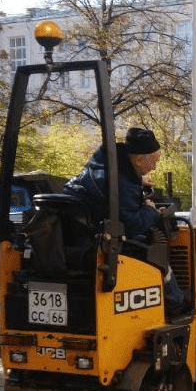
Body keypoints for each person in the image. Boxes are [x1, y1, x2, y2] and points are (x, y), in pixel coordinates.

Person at [63, 127, 186, 318]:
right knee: (157, 255)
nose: (154, 167)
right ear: (138, 159)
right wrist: (150, 211)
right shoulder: (121, 182)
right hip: (106, 245)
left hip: (82, 238)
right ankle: (176, 305)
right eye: (154, 161)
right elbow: (130, 223)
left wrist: (138, 186)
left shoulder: (103, 168)